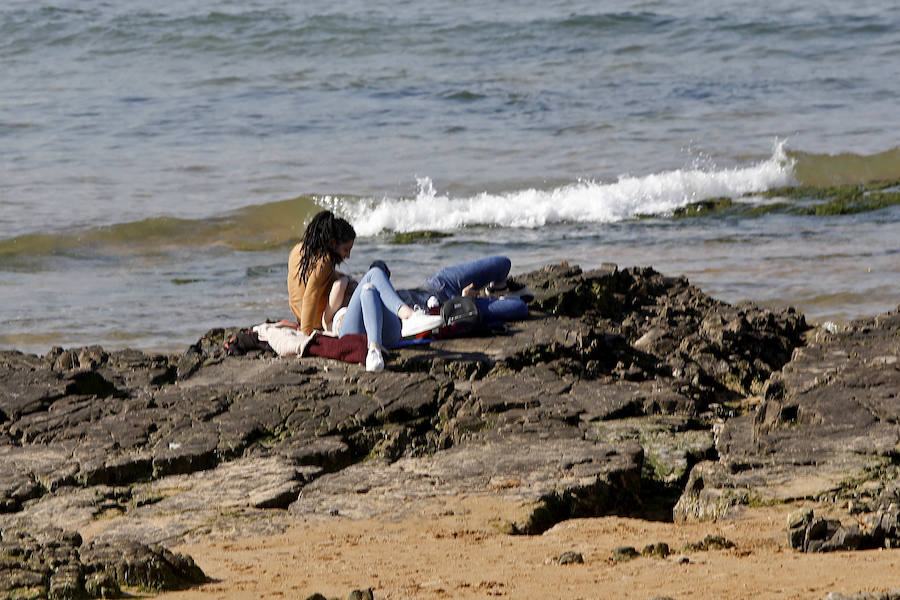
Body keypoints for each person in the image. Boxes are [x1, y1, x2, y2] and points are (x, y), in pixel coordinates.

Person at [287, 210, 441, 372]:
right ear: (332, 243)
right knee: (375, 272)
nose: (348, 256)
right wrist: (306, 334)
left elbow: (302, 289)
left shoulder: (298, 251)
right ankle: (408, 315)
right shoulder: (324, 261)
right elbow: (310, 295)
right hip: (325, 320)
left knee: (371, 284)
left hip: (307, 315)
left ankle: (392, 329)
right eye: (346, 250)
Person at [388, 255, 531, 325]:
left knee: (503, 263)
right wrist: (464, 301)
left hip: (439, 283)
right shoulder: (390, 330)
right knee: (520, 308)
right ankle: (493, 299)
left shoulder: (373, 294)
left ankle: (497, 288)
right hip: (453, 310)